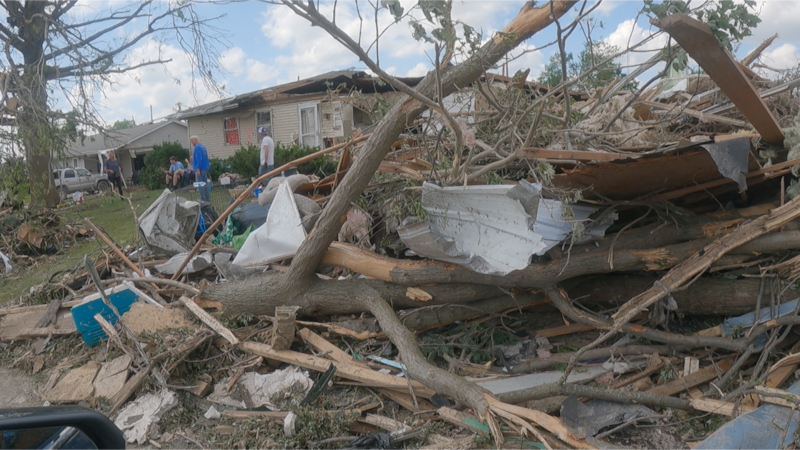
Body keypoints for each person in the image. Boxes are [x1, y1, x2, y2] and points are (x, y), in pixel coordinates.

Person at [190, 135, 211, 201]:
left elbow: (199, 159)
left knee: (200, 184)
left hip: (200, 169)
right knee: (205, 183)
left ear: (195, 140)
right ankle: (207, 197)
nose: (191, 143)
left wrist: (198, 168)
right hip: (205, 167)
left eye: (192, 141)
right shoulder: (202, 146)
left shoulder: (197, 147)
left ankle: (203, 198)